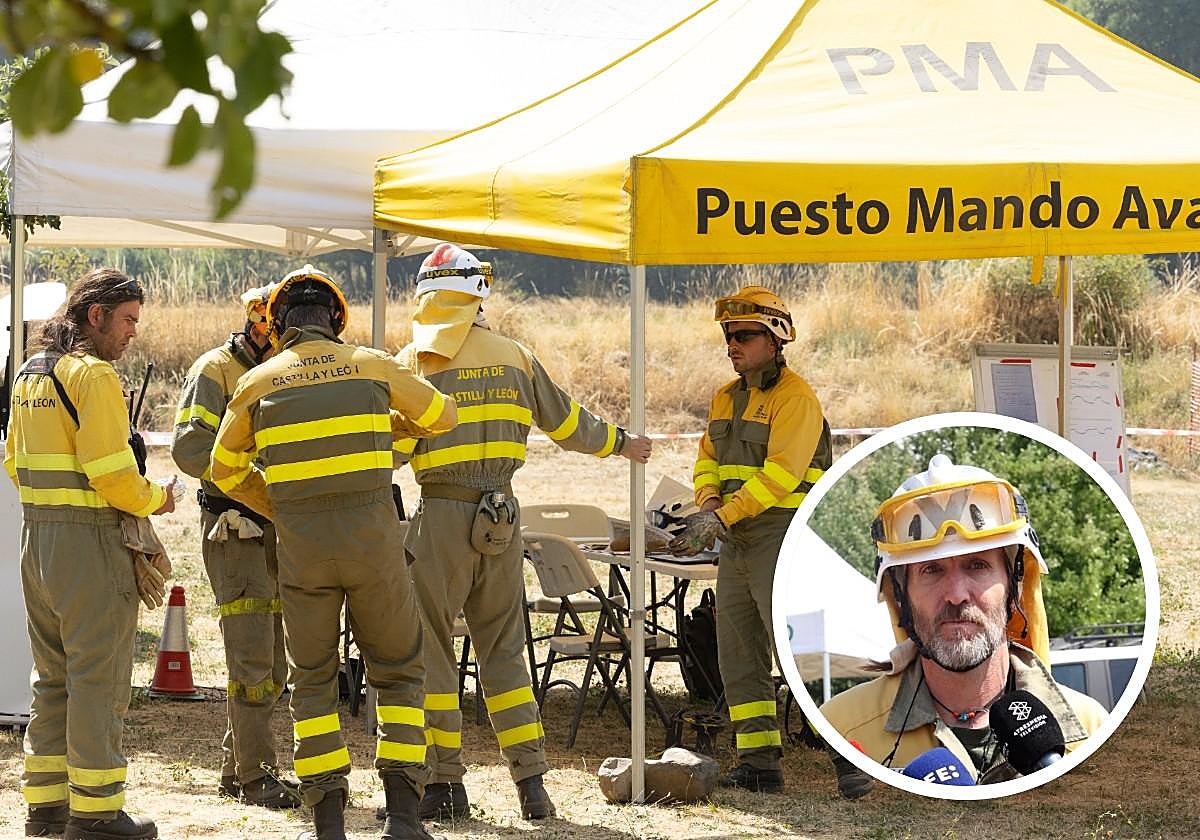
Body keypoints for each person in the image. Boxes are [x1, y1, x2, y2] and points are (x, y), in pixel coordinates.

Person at [393, 243, 652, 821]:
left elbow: (393, 449)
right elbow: (567, 424)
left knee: (433, 653)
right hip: (504, 520)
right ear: (479, 292)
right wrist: (623, 445)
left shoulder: (414, 362)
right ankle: (532, 786)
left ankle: (443, 785)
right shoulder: (515, 356)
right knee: (506, 654)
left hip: (440, 517)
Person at [209, 265, 457, 840]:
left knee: (313, 681)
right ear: (337, 320)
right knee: (397, 673)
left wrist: (279, 507)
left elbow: (222, 469)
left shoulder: (257, 382)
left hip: (302, 551)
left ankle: (327, 821)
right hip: (374, 547)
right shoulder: (370, 363)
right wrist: (385, 427)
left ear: (276, 325)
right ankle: (401, 815)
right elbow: (442, 416)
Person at [5, 267, 175, 840]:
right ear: (95, 315)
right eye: (126, 320)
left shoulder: (30, 374)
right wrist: (160, 497)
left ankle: (45, 807)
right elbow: (112, 476)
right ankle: (98, 813)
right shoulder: (94, 377)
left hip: (36, 540)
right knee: (97, 678)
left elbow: (12, 460)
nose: (132, 333)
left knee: (51, 677)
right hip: (89, 544)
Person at [820, 454, 1107, 786]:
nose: (956, 595)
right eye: (931, 570)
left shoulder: (1090, 728)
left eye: (977, 566)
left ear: (1014, 587)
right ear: (902, 597)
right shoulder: (840, 728)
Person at [669, 285, 832, 794]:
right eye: (728, 335)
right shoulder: (726, 396)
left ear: (776, 337)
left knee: (797, 649)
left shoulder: (796, 399)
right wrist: (708, 502)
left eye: (742, 335)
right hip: (737, 536)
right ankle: (759, 762)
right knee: (737, 653)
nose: (731, 344)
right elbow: (707, 459)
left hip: (780, 534)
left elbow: (781, 475)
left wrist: (722, 517)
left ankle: (849, 757)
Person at [171, 284, 297, 809]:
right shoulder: (215, 371)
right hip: (236, 528)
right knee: (251, 659)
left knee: (273, 663)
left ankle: (238, 768)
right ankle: (257, 776)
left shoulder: (288, 368)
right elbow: (189, 447)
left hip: (274, 528)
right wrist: (256, 482)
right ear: (258, 324)